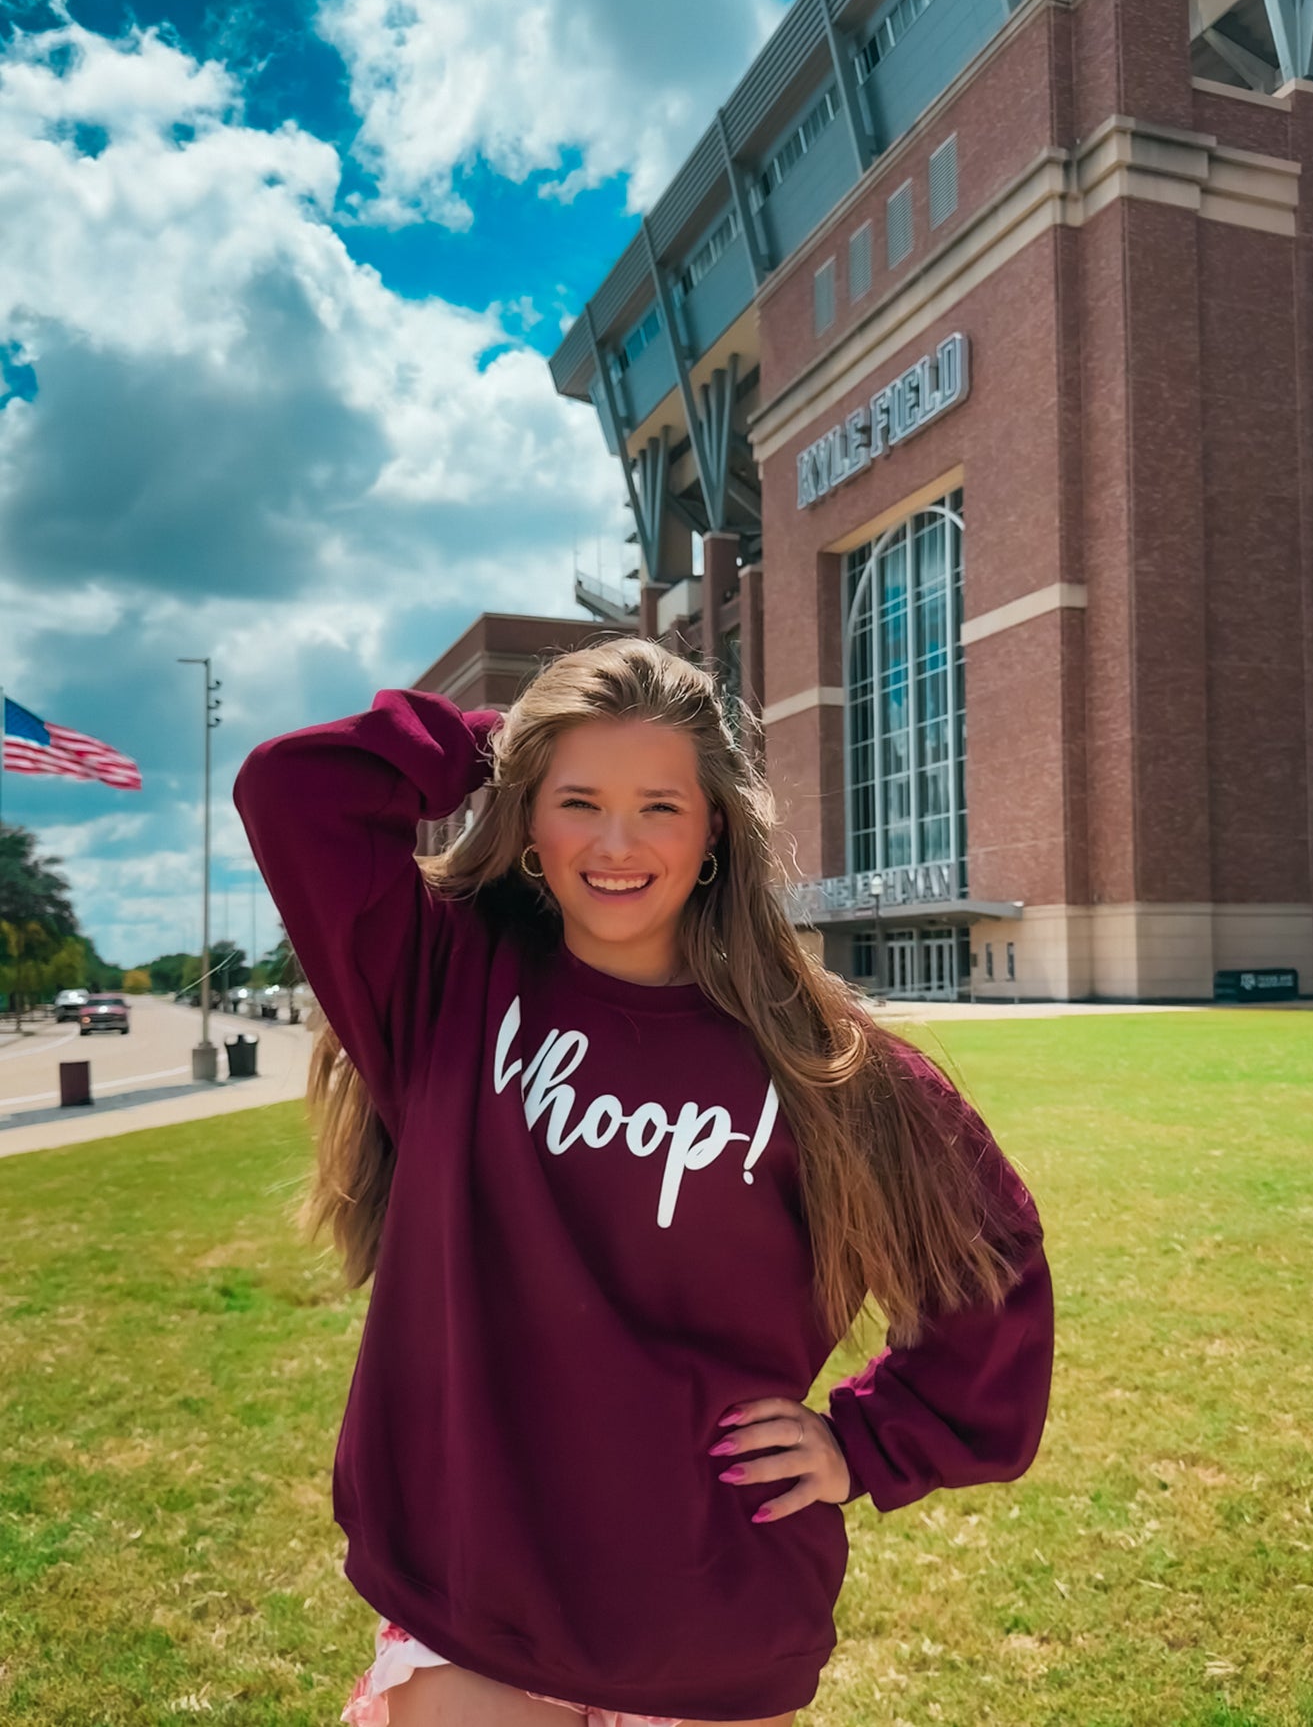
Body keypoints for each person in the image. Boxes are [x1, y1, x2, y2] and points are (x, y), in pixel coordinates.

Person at [232, 635, 1054, 1727]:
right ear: (526, 818)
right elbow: (295, 789)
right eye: (577, 801)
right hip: (475, 1598)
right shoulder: (441, 986)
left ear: (715, 827)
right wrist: (507, 742)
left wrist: (862, 1445)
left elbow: (989, 1264)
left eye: (659, 806)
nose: (615, 843)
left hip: (711, 1615)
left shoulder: (826, 1065)